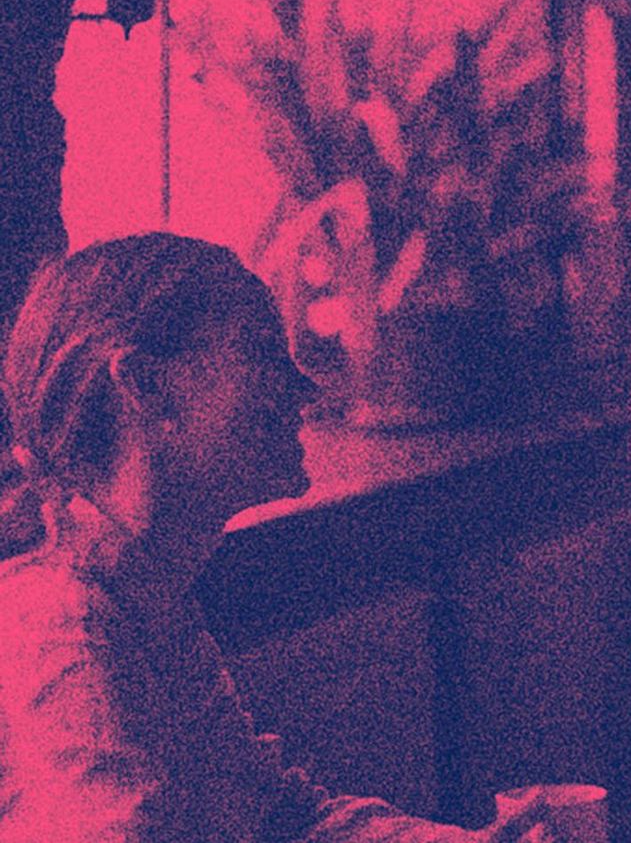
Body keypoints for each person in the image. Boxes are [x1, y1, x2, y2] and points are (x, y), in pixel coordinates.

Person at [0, 233, 593, 842]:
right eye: (262, 354)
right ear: (147, 387)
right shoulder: (59, 636)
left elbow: (286, 818)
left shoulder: (148, 599)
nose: (307, 387)